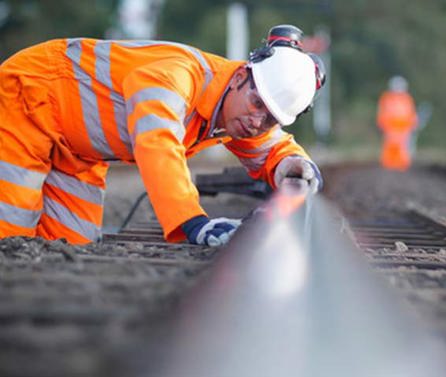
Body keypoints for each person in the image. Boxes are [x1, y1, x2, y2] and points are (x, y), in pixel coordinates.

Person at [0, 24, 324, 246]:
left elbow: (272, 149)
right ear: (241, 76)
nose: (257, 122)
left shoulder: (237, 110)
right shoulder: (176, 77)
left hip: (78, 151)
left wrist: (294, 166)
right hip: (29, 99)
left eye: (270, 118)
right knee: (10, 235)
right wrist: (193, 222)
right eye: (257, 105)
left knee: (67, 246)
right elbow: (158, 143)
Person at [376, 75, 418, 171]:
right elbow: (382, 112)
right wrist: (381, 124)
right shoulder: (386, 98)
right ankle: (389, 166)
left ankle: (402, 166)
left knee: (403, 149)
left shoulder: (407, 99)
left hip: (404, 129)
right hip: (390, 128)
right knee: (390, 147)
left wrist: (413, 124)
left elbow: (411, 113)